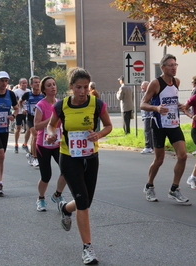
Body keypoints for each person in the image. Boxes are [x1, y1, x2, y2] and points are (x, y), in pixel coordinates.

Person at [46, 67, 112, 265]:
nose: (82, 92)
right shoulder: (62, 106)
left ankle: (66, 209)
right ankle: (87, 248)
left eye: (85, 87)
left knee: (86, 200)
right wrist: (51, 133)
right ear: (71, 87)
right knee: (83, 202)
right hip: (69, 157)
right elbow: (51, 124)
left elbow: (108, 126)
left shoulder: (96, 104)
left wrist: (98, 135)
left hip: (91, 157)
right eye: (78, 88)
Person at [140, 54, 189, 204]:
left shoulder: (177, 82)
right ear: (163, 68)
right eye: (170, 65)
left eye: (175, 65)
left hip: (174, 124)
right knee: (159, 159)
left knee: (183, 156)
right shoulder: (155, 83)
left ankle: (174, 189)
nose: (174, 68)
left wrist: (180, 105)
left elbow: (172, 99)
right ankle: (149, 185)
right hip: (159, 125)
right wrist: (156, 107)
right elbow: (143, 104)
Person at [34, 76, 67, 212]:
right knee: (46, 176)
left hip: (58, 142)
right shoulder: (41, 105)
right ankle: (41, 199)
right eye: (49, 85)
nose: (53, 87)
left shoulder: (60, 103)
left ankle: (57, 194)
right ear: (44, 89)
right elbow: (36, 126)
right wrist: (51, 120)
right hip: (43, 144)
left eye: (54, 84)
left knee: (67, 170)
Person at [20, 76, 44, 167]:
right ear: (31, 85)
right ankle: (35, 157)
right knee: (35, 135)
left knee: (36, 138)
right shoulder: (27, 95)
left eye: (39, 82)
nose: (37, 84)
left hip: (40, 118)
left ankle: (30, 153)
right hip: (30, 118)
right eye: (35, 82)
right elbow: (20, 101)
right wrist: (23, 108)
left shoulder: (42, 95)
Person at [13, 78, 31, 154]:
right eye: (23, 83)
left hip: (27, 112)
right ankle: (16, 144)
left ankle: (25, 143)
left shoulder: (29, 91)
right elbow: (13, 102)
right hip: (19, 112)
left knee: (28, 129)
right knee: (18, 128)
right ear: (20, 84)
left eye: (25, 83)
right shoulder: (16, 92)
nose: (24, 84)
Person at [140, 81, 153, 154]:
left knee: (148, 131)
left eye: (143, 86)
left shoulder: (149, 94)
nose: (141, 87)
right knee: (149, 131)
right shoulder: (146, 94)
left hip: (149, 116)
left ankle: (148, 146)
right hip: (146, 115)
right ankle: (152, 146)